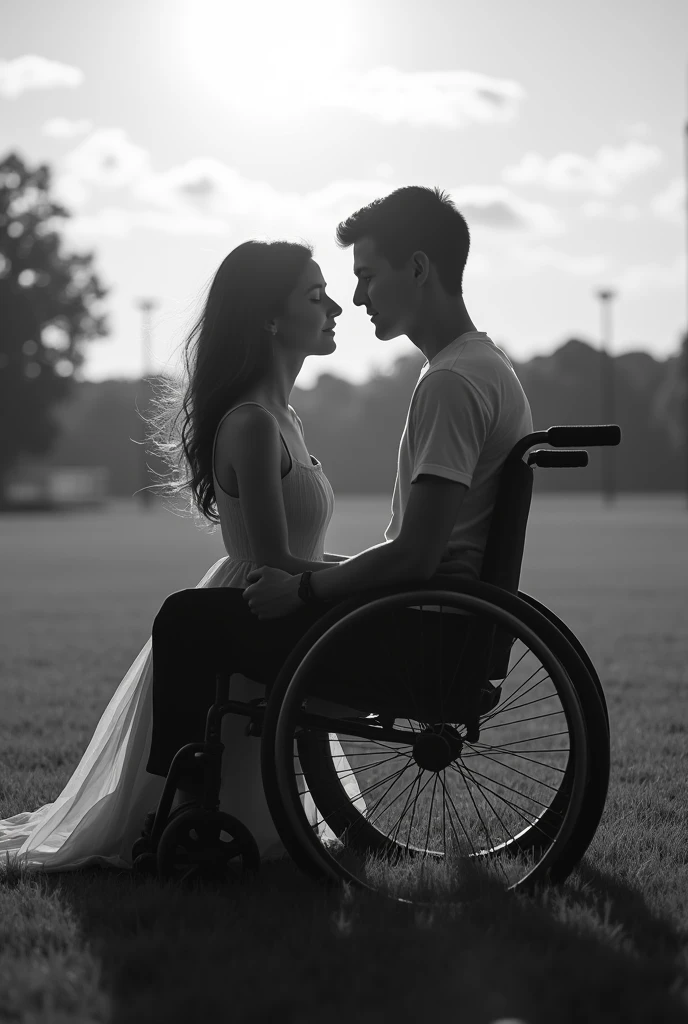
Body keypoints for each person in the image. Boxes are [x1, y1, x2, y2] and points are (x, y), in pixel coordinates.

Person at [148, 186, 533, 829]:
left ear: (417, 268)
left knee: (186, 621)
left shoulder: (451, 380)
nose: (355, 299)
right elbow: (420, 550)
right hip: (439, 620)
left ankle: (186, 817)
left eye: (366, 276)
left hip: (422, 633)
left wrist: (304, 591)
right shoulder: (481, 367)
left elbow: (416, 553)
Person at [0, 239, 350, 870]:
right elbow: (273, 557)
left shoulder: (285, 416)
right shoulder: (252, 423)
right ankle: (195, 806)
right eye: (316, 294)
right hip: (259, 599)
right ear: (270, 317)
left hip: (290, 597)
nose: (336, 308)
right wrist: (371, 573)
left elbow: (302, 551)